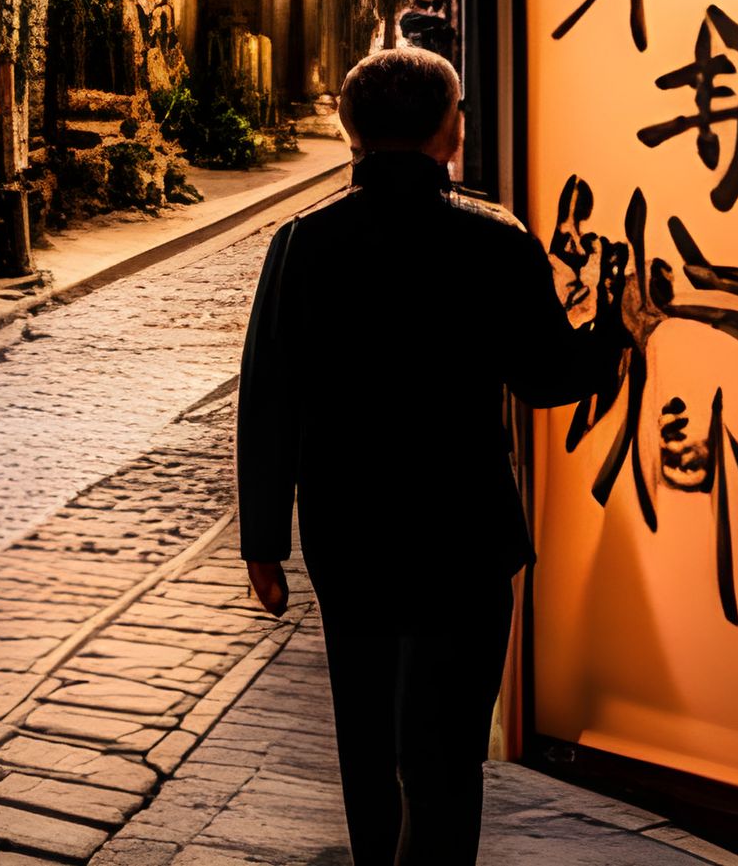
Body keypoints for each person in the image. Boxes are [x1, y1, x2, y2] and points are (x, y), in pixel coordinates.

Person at [236, 47, 627, 865]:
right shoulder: (492, 240)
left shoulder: (303, 245)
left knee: (367, 736)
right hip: (464, 528)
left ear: (352, 133)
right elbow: (550, 375)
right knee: (446, 751)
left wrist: (263, 540)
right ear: (449, 133)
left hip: (351, 531)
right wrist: (617, 333)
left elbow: (270, 394)